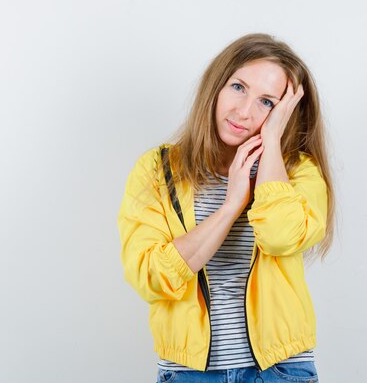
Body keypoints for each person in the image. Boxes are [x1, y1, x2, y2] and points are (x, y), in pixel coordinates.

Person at [117, 33, 335, 383]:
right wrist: (232, 204)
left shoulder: (298, 172)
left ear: (284, 112)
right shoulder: (158, 169)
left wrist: (273, 143)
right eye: (238, 87)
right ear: (216, 85)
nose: (244, 111)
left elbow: (280, 236)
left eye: (267, 102)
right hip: (188, 373)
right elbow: (151, 276)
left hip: (279, 371)